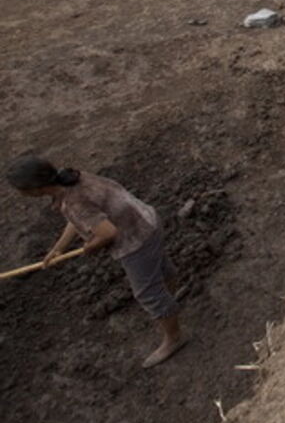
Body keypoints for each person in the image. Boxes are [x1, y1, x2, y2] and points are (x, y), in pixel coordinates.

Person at [7, 155, 187, 368]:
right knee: (161, 268)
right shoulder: (71, 178)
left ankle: (173, 338)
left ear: (35, 190)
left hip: (135, 241)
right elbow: (80, 220)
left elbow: (108, 232)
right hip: (146, 220)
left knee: (147, 293)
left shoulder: (74, 202)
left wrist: (91, 246)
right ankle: (170, 303)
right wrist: (58, 248)